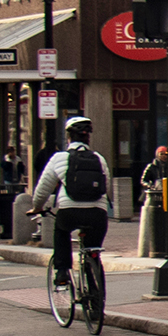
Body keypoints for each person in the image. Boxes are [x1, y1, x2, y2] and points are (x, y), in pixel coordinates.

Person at [33, 117, 113, 283]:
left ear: (68, 137)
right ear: (88, 138)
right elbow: (107, 187)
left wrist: (37, 207)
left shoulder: (59, 158)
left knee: (61, 232)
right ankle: (95, 285)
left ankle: (62, 271)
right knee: (93, 249)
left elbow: (43, 189)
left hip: (69, 212)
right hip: (97, 214)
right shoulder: (99, 158)